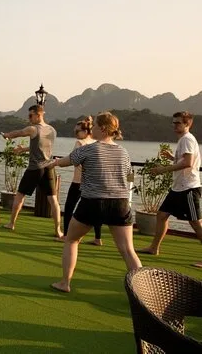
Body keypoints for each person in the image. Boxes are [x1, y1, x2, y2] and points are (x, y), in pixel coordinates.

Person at [45, 112, 142, 292]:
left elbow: (66, 161)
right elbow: (130, 177)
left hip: (92, 203)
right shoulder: (123, 152)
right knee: (128, 250)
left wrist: (54, 163)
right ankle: (144, 292)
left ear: (103, 129)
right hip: (120, 203)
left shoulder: (89, 149)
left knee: (72, 240)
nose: (92, 128)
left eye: (95, 125)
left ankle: (65, 283)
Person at [137, 111, 202, 266]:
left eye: (178, 122)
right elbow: (184, 160)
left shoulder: (187, 139)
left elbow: (188, 163)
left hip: (188, 188)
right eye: (173, 122)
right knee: (161, 215)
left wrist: (162, 169)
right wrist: (172, 157)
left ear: (187, 124)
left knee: (196, 223)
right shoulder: (184, 140)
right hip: (178, 188)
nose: (174, 125)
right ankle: (154, 248)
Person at [1, 104, 62, 237]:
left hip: (35, 169)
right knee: (53, 200)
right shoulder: (52, 130)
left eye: (30, 115)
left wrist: (6, 135)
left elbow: (18, 133)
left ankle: (11, 223)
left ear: (38, 115)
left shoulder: (33, 129)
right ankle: (58, 230)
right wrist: (24, 149)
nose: (29, 118)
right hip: (49, 167)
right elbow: (41, 146)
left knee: (20, 195)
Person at [61, 116, 102, 245]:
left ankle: (66, 235)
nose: (76, 134)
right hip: (93, 182)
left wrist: (57, 162)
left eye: (77, 131)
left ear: (85, 131)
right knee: (96, 210)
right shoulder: (95, 143)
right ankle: (98, 238)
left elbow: (72, 159)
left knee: (69, 207)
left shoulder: (80, 143)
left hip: (78, 181)